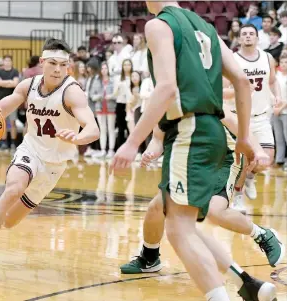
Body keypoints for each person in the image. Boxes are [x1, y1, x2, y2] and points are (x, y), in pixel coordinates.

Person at [110, 2, 260, 300]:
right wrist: (243, 136)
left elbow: (166, 88)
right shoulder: (206, 27)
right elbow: (242, 81)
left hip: (188, 129)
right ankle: (248, 284)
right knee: (183, 223)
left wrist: (130, 142)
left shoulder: (158, 25)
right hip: (214, 130)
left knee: (178, 230)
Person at [0, 38, 100, 278]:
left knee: (10, 221)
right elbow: (1, 109)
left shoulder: (72, 92)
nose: (57, 69)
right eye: (53, 63)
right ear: (42, 62)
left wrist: (77, 137)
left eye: (63, 64)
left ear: (69, 67)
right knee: (14, 188)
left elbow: (93, 129)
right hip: (30, 151)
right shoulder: (28, 85)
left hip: (54, 166)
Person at [120, 105, 283, 300]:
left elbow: (237, 123)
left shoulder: (200, 93)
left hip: (224, 159)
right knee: (158, 207)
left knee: (211, 213)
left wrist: (256, 150)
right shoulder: (165, 99)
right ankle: (149, 257)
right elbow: (158, 138)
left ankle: (262, 236)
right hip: (189, 160)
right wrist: (150, 152)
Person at [224, 24, 282, 213]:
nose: (248, 37)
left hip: (261, 116)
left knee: (267, 159)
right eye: (244, 34)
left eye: (251, 34)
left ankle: (250, 177)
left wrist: (277, 95)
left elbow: (272, 81)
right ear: (239, 39)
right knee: (243, 160)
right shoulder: (232, 60)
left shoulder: (267, 57)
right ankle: (238, 195)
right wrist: (236, 92)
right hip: (239, 118)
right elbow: (220, 89)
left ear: (257, 38)